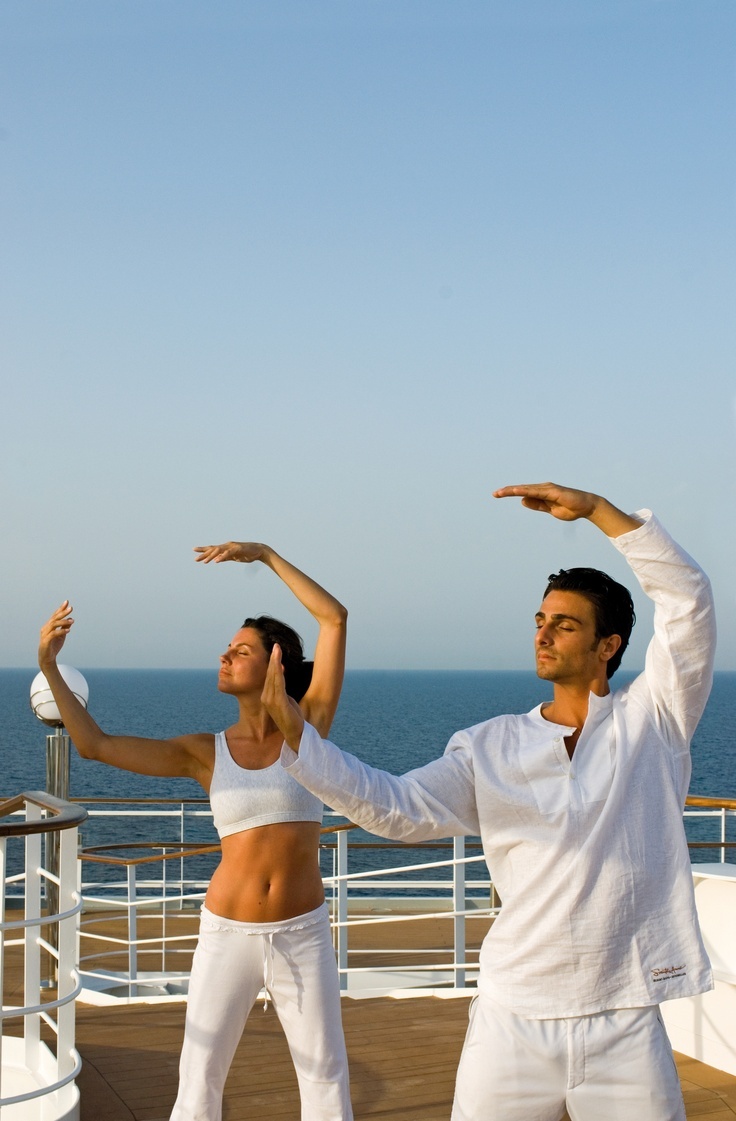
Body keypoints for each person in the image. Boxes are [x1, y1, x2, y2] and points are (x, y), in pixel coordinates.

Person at [261, 482, 716, 1121]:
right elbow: (398, 808)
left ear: (608, 646)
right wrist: (301, 742)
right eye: (540, 621)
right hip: (513, 1018)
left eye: (564, 625)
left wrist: (596, 512)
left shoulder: (654, 720)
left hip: (625, 1014)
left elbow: (688, 600)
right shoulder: (489, 745)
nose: (544, 634)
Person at [38, 541, 352, 1121]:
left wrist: (265, 555)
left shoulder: (309, 727)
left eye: (240, 651)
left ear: (275, 664)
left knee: (325, 1076)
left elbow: (333, 618)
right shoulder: (204, 752)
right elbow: (95, 745)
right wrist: (50, 667)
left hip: (303, 933)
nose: (224, 657)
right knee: (200, 1077)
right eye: (226, 649)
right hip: (227, 933)